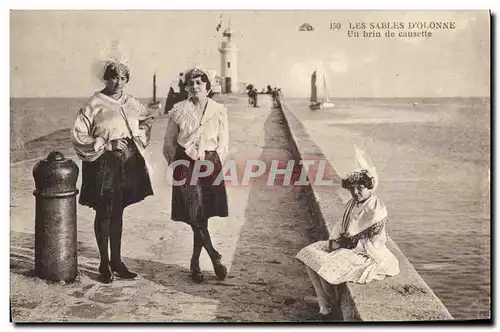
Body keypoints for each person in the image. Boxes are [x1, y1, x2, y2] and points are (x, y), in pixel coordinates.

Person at [71, 60, 154, 284]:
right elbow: (78, 135)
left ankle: (117, 261)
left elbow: (147, 120)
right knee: (105, 210)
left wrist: (139, 134)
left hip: (127, 163)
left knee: (118, 210)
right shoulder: (94, 104)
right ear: (105, 78)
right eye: (114, 77)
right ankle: (104, 263)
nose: (119, 82)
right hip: (103, 163)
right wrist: (107, 143)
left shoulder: (132, 102)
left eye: (123, 78)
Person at [295, 170, 400, 316]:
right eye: (351, 188)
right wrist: (334, 241)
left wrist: (346, 245)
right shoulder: (353, 202)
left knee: (326, 263)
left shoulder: (376, 210)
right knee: (309, 253)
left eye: (360, 188)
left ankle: (331, 304)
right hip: (345, 244)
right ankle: (324, 300)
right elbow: (340, 225)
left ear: (369, 187)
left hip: (366, 252)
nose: (355, 192)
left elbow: (376, 242)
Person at [163, 67, 230, 283]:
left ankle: (194, 263)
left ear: (208, 87)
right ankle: (214, 255)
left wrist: (213, 161)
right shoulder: (179, 109)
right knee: (193, 213)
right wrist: (176, 165)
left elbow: (224, 141)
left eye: (199, 83)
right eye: (191, 84)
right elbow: (169, 142)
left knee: (204, 214)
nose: (194, 87)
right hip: (185, 164)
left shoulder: (219, 110)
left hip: (210, 163)